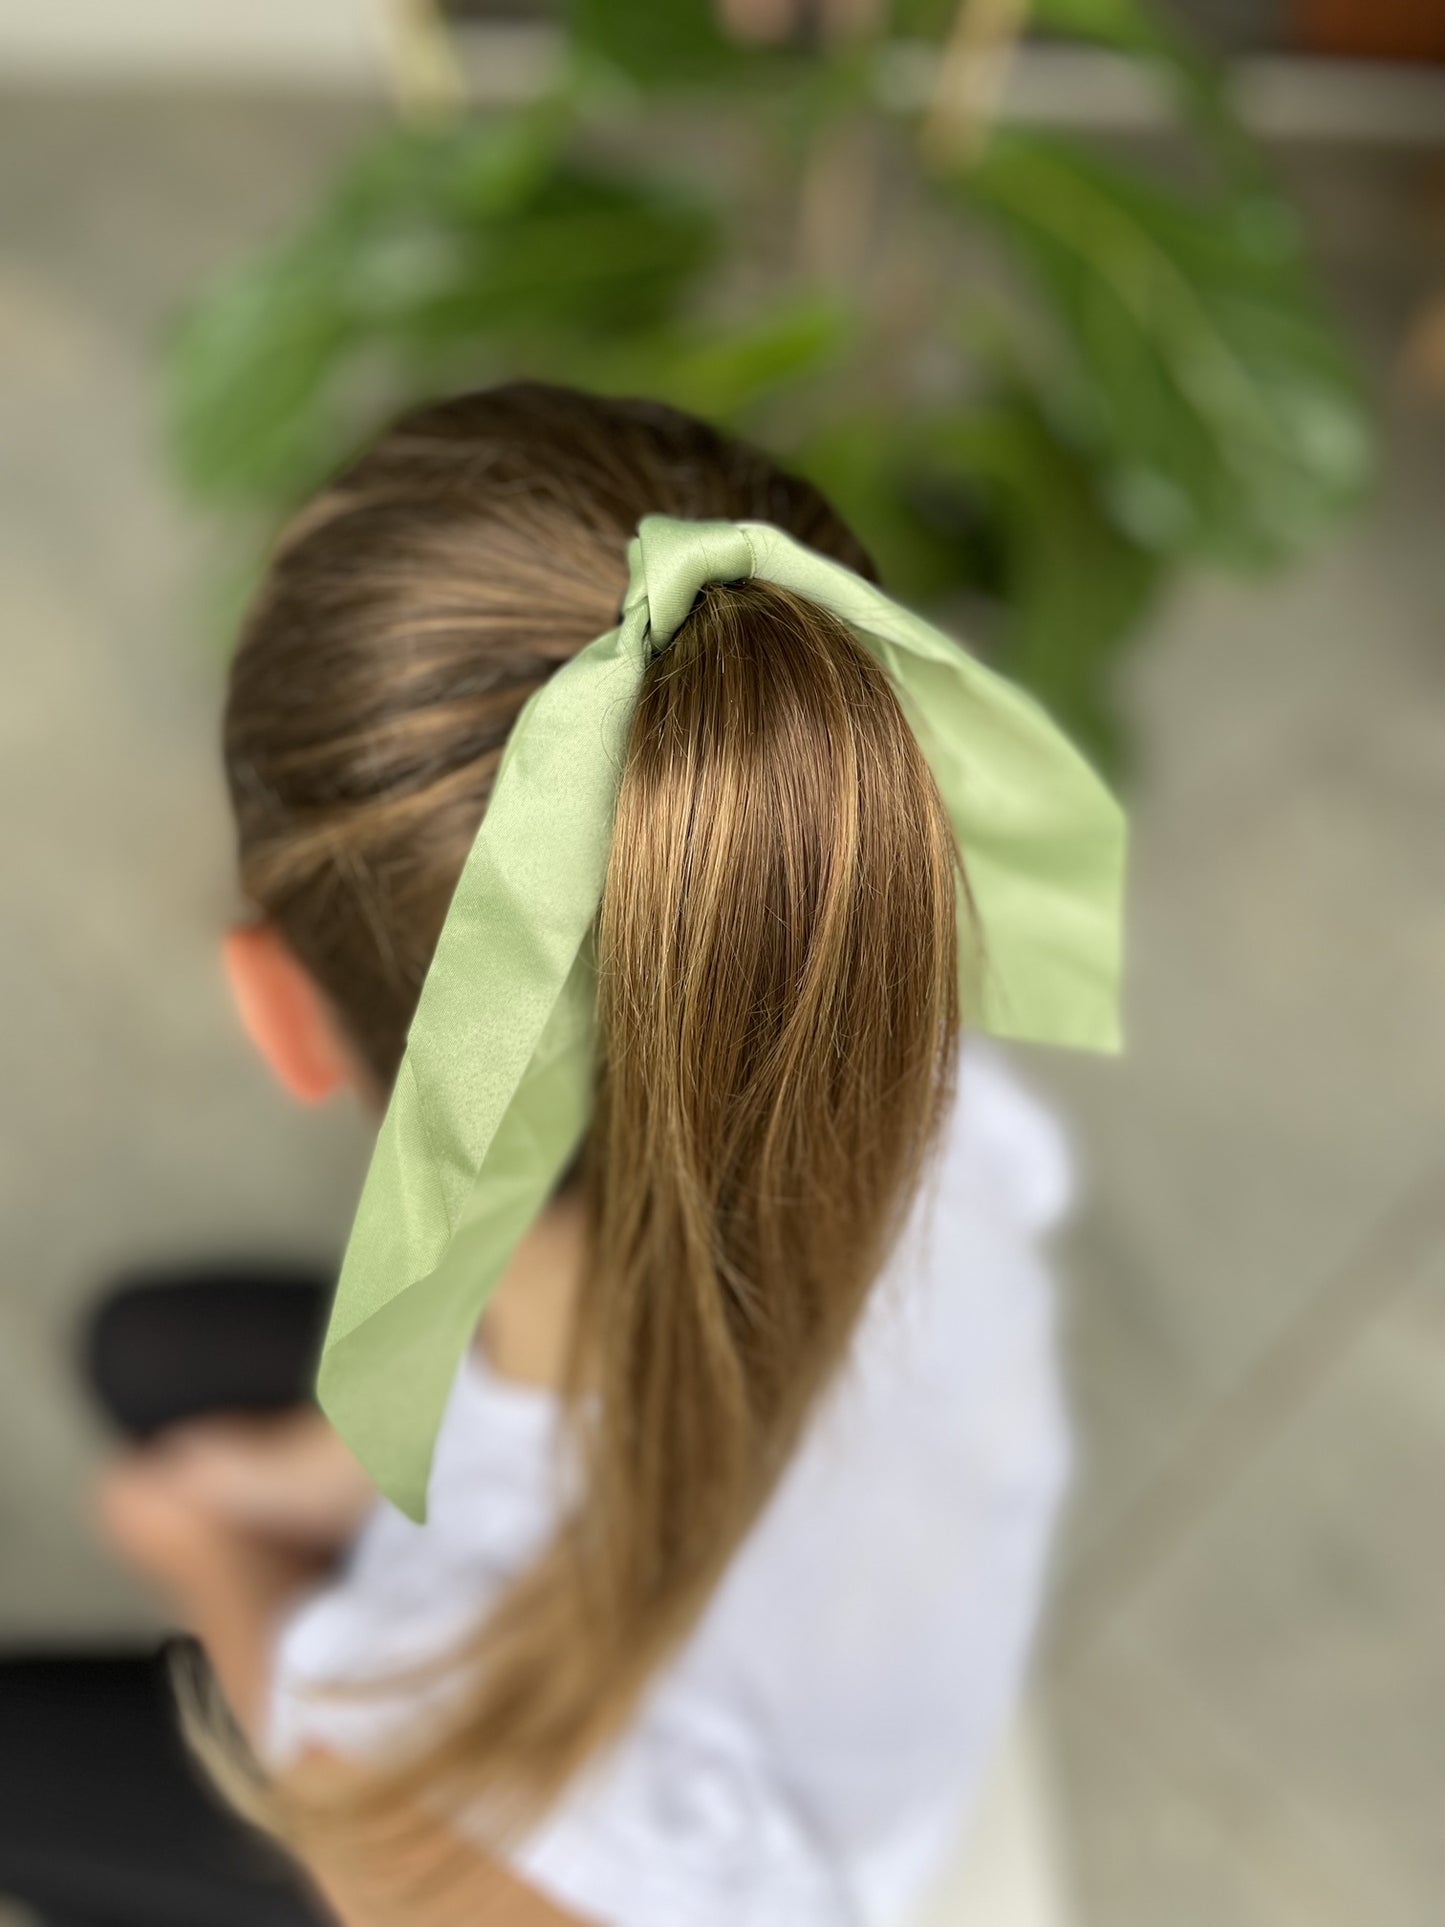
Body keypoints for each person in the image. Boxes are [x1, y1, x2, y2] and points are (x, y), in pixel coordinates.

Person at [4, 380, 1088, 1927]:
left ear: (285, 1018)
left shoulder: (455, 1750)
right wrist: (303, 1480)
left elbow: (355, 1843)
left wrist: (206, 1558)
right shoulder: (923, 1087)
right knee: (153, 1351)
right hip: (845, 1597)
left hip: (647, 1843)